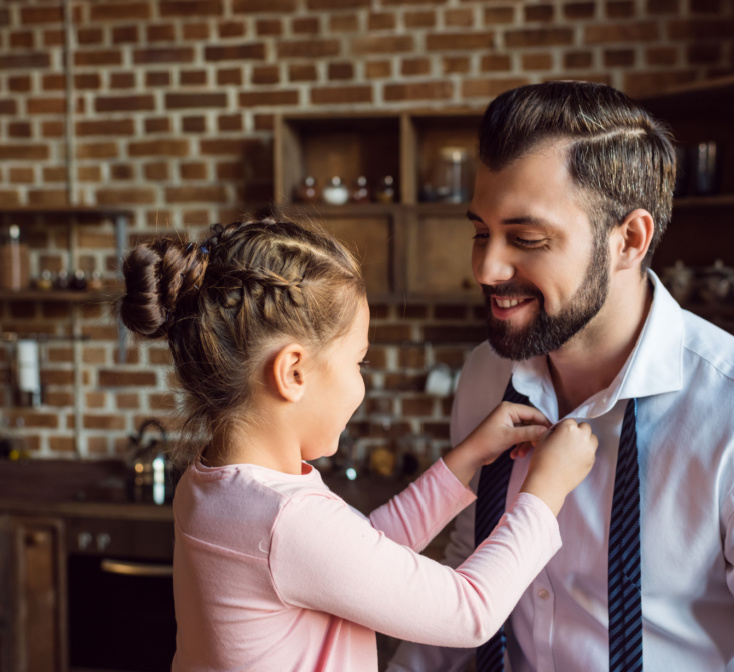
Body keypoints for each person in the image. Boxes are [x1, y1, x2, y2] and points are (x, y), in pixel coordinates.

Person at [118, 217, 599, 672]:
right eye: (358, 363)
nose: (360, 385)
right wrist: (545, 492)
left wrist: (468, 456)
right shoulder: (286, 522)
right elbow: (470, 609)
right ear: (293, 372)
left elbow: (359, 553)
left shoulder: (211, 486)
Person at [388, 81, 734, 672]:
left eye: (526, 239)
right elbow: (470, 558)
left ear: (629, 239)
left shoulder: (725, 406)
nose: (486, 268)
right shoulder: (481, 376)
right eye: (480, 232)